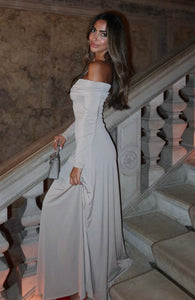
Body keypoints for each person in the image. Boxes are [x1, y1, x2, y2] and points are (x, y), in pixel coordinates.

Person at [36, 11, 133, 300]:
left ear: (112, 40)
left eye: (103, 34)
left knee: (60, 205)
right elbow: (85, 116)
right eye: (93, 30)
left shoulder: (98, 67)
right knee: (80, 213)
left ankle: (85, 279)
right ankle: (77, 275)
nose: (95, 37)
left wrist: (77, 164)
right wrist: (66, 135)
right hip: (92, 146)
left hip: (92, 151)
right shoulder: (96, 65)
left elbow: (90, 122)